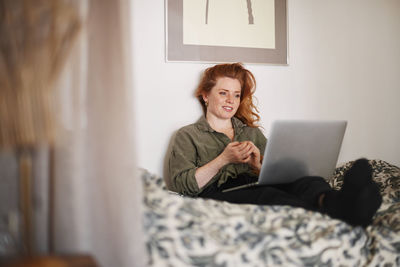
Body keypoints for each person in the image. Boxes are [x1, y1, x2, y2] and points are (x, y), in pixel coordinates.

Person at [168, 62, 382, 227]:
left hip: (256, 183)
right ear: (205, 95)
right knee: (270, 196)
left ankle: (339, 203)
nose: (230, 100)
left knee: (306, 180)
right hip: (218, 195)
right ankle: (339, 214)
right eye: (223, 93)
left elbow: (277, 173)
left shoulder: (251, 132)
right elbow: (181, 185)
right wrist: (223, 159)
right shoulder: (188, 135)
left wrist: (257, 167)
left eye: (236, 95)